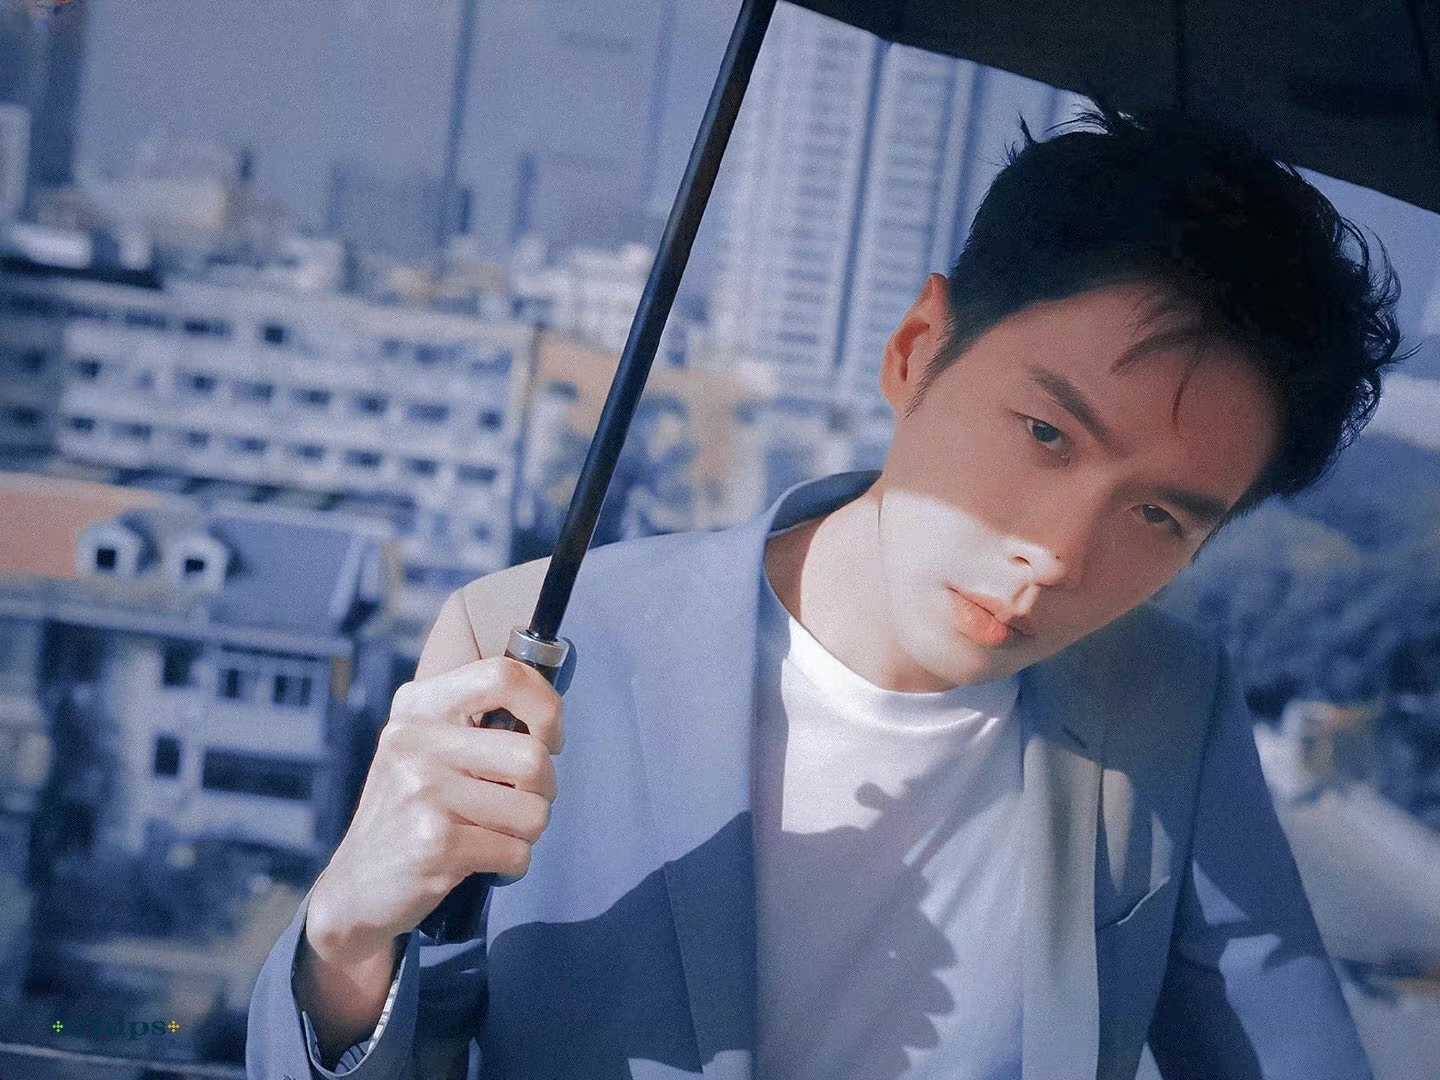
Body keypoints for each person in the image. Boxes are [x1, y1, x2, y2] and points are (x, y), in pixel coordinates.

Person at [247, 102, 1405, 1080]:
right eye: (1046, 433)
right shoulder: (534, 639)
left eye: (1159, 516)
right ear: (917, 348)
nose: (1057, 553)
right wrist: (345, 938)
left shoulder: (1168, 707)